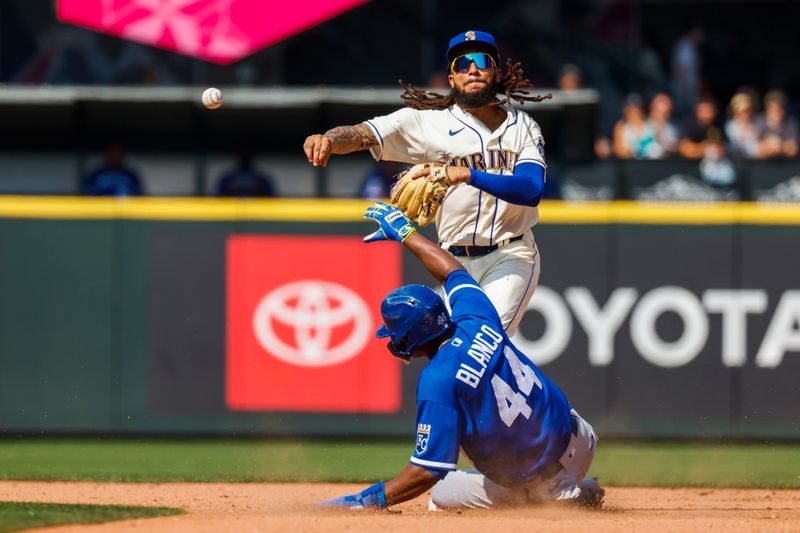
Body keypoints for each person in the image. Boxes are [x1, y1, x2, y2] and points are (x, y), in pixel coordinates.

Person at [319, 202, 603, 510]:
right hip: (581, 439)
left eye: (395, 334)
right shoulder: (475, 316)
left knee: (440, 497)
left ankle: (560, 498)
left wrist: (365, 501)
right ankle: (574, 485)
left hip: (544, 481)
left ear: (411, 337)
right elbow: (451, 270)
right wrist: (406, 233)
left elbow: (428, 470)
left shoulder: (438, 380)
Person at [303, 30, 550, 336]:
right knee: (461, 353)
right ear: (451, 78)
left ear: (495, 72)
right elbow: (363, 133)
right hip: (452, 261)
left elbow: (530, 190)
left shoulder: (523, 127)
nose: (471, 69)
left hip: (510, 255)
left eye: (480, 61)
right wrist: (327, 138)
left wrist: (466, 174)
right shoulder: (428, 123)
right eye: (462, 64)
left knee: (482, 343)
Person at [755, 90, 799, 159]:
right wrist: (769, 146)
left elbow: (794, 150)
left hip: (787, 166)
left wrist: (780, 146)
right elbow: (755, 150)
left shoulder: (792, 124)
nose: (778, 112)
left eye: (781, 109)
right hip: (762, 166)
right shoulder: (759, 122)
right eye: (774, 109)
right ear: (767, 109)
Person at [678, 95, 724, 159]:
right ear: (697, 111)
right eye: (705, 109)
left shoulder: (717, 126)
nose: (708, 113)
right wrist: (703, 149)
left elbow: (722, 148)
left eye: (710, 109)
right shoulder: (689, 125)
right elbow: (684, 149)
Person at [612, 94, 657, 159]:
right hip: (630, 164)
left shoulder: (651, 125)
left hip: (650, 164)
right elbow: (618, 150)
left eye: (636, 108)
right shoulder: (621, 126)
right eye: (630, 109)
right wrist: (634, 151)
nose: (634, 112)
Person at [725, 92, 759, 158]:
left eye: (748, 111)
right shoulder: (729, 127)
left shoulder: (757, 125)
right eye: (743, 111)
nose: (746, 115)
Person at [646, 92, 679, 158]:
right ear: (652, 108)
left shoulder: (674, 128)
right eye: (659, 112)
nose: (663, 116)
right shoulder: (643, 126)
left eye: (666, 113)